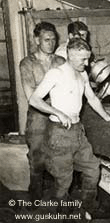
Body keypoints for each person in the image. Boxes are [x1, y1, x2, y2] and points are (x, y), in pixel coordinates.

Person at [29, 38, 110, 223]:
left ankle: (88, 207)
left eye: (88, 59)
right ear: (71, 55)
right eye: (83, 59)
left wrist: (107, 118)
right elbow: (34, 99)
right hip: (59, 134)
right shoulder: (56, 74)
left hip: (77, 132)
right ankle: (64, 218)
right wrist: (57, 112)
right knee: (64, 181)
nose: (87, 63)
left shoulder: (82, 74)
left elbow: (91, 98)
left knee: (93, 167)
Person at [19, 22, 65, 203]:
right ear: (37, 40)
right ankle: (35, 195)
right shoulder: (27, 63)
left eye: (54, 39)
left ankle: (62, 198)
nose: (51, 43)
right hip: (38, 116)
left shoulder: (60, 62)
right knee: (37, 158)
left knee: (61, 156)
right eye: (47, 40)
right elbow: (31, 97)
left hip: (59, 114)